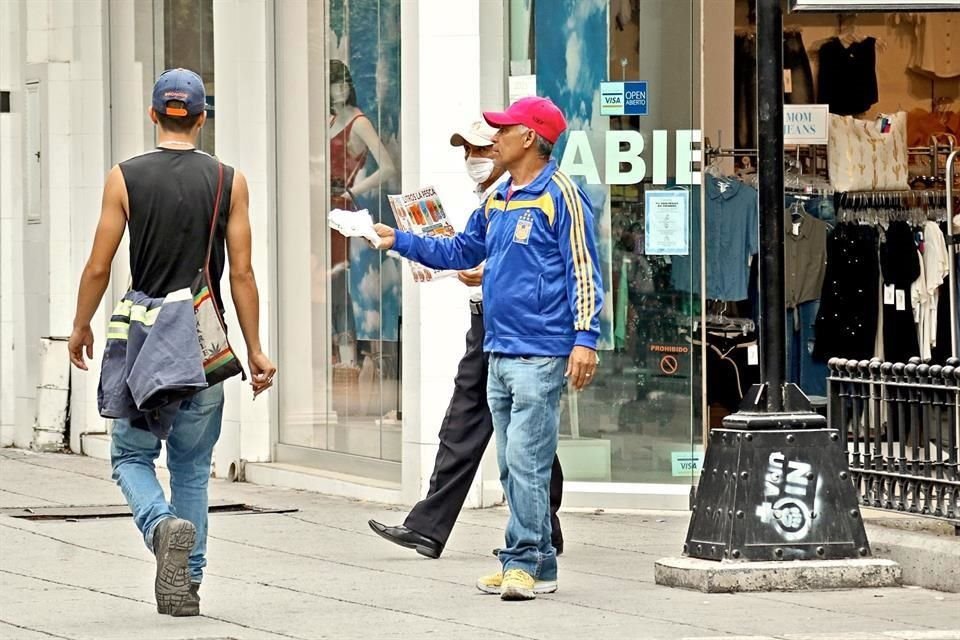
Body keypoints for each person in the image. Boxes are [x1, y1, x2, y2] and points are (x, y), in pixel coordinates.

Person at [371, 97, 603, 601]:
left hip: (540, 353)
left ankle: (520, 561)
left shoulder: (561, 194)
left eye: (503, 130)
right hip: (498, 349)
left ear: (530, 139)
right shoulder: (499, 200)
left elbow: (585, 269)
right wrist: (400, 241)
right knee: (511, 464)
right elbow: (460, 251)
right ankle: (539, 562)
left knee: (524, 461)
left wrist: (586, 339)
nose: (493, 139)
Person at [67, 68, 276, 617]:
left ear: (154, 114)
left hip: (146, 342)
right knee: (190, 469)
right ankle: (189, 583)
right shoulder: (230, 181)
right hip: (205, 345)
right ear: (203, 118)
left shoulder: (124, 178)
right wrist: (253, 349)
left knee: (131, 455)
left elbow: (97, 265)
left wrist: (81, 323)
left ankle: (161, 529)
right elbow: (243, 276)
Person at [327, 59, 396, 367]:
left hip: (343, 211)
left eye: (344, 83)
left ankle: (348, 358)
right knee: (326, 283)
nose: (339, 89)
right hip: (323, 209)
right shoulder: (329, 121)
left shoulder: (360, 122)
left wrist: (354, 189)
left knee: (340, 282)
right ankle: (338, 357)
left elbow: (388, 167)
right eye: (333, 83)